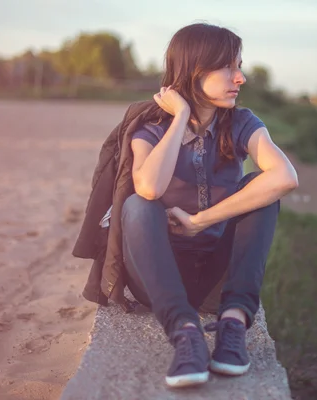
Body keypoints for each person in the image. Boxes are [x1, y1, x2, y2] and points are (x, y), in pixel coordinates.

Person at [122, 22, 299, 388]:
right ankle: (185, 334)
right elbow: (150, 187)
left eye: (240, 66)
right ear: (195, 71)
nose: (241, 77)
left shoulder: (241, 123)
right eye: (230, 67)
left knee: (261, 188)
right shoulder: (151, 127)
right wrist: (182, 117)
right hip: (158, 277)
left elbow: (285, 176)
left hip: (216, 277)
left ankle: (233, 324)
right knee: (138, 205)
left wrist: (203, 220)